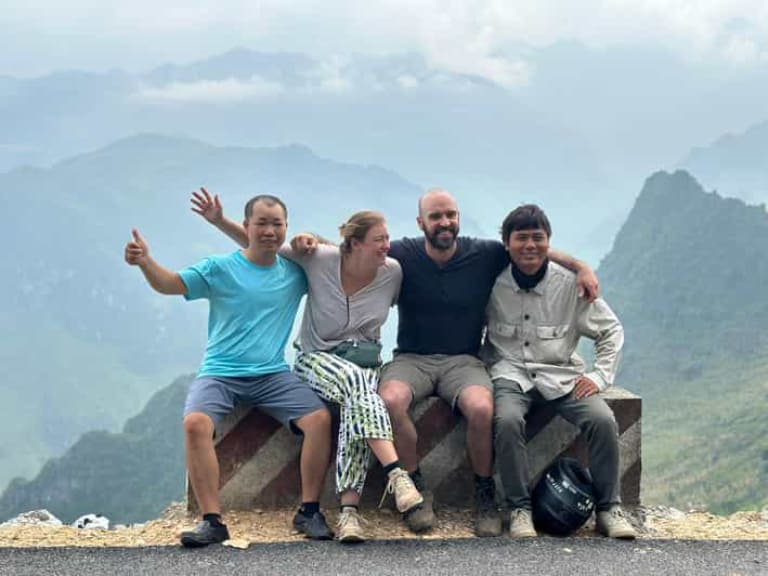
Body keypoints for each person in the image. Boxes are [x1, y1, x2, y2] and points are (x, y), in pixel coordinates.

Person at [292, 188, 598, 536]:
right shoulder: (402, 254)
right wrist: (309, 240)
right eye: (436, 217)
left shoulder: (483, 253)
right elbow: (352, 248)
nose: (445, 223)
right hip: (412, 357)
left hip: (463, 360)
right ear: (421, 222)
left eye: (450, 215)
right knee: (389, 400)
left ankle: (483, 493)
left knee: (482, 408)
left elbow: (529, 249)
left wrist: (580, 266)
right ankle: (415, 488)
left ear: (458, 219)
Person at [190, 190, 423, 543]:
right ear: (354, 244)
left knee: (361, 400)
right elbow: (261, 244)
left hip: (364, 368)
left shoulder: (391, 273)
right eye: (379, 240)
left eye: (387, 239)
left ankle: (349, 513)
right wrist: (219, 220)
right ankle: (396, 472)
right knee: (359, 387)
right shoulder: (320, 259)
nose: (386, 247)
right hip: (317, 360)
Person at [125, 194, 334, 547]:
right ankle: (212, 521)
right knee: (194, 424)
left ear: (286, 227)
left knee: (319, 420)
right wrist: (146, 262)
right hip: (220, 372)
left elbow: (329, 258)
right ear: (247, 225)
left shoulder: (295, 272)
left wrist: (312, 238)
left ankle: (309, 511)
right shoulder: (219, 268)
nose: (269, 231)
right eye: (261, 223)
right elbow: (170, 284)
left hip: (271, 373)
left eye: (277, 224)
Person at [480, 203, 636, 539]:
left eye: (538, 238)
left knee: (603, 420)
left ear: (549, 242)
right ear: (507, 243)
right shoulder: (491, 282)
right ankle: (519, 509)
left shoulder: (570, 285)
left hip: (562, 375)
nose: (530, 246)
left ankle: (609, 509)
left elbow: (611, 330)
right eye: (521, 238)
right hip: (510, 374)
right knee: (506, 422)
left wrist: (598, 376)